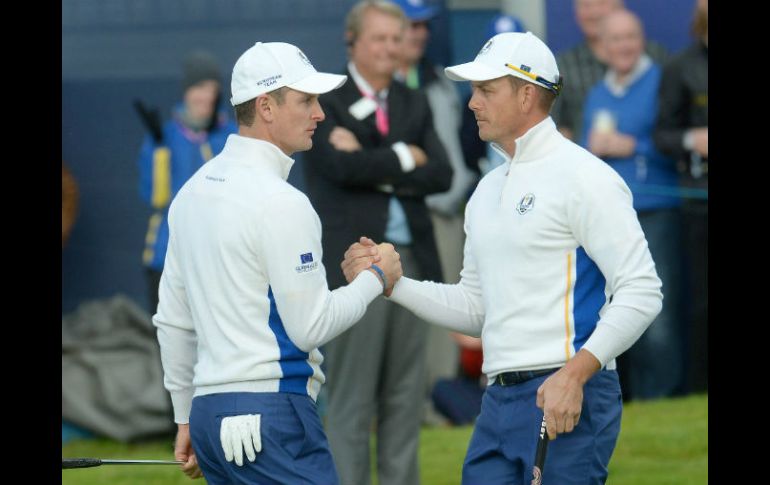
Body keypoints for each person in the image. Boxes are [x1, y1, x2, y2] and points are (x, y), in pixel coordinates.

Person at [343, 31, 663, 484]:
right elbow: (477, 309)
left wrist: (574, 376)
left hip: (568, 390)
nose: (473, 103)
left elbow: (642, 291)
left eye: (486, 90)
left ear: (527, 94)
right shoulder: (486, 189)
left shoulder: (586, 177)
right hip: (497, 399)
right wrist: (392, 284)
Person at [152, 41, 403, 484]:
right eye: (306, 100)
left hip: (209, 416)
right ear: (266, 107)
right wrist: (375, 277)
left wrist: (185, 415)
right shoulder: (283, 202)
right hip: (272, 414)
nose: (319, 113)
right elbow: (312, 327)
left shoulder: (190, 194)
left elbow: (173, 320)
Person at [303, 1, 452, 484]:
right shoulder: (326, 100)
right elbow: (338, 168)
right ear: (353, 41)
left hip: (411, 265)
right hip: (356, 264)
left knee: (405, 397)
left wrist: (374, 162)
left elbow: (442, 173)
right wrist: (406, 157)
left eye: (396, 38)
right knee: (352, 397)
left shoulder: (413, 100)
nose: (391, 47)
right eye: (379, 38)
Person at [580, 10, 684, 400]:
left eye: (631, 37)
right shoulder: (598, 92)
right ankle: (631, 398)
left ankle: (662, 397)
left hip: (656, 209)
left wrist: (632, 146)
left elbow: (674, 141)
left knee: (657, 310)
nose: (624, 46)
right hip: (609, 216)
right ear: (602, 46)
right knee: (614, 309)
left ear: (642, 40)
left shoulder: (661, 81)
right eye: (616, 39)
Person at [392, 0, 478, 425]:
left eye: (424, 26)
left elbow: (454, 150)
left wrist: (457, 185)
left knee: (447, 306)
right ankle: (407, 404)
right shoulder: (383, 87)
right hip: (404, 213)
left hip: (446, 211)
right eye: (411, 25)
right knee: (402, 305)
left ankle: (441, 399)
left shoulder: (440, 82)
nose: (420, 34)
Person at [137, 50, 237, 314]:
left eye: (211, 88)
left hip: (220, 257)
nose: (205, 96)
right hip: (167, 255)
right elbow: (155, 198)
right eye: (198, 87)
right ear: (186, 91)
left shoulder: (232, 135)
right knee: (167, 332)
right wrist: (160, 150)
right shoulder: (164, 136)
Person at [654, 0, 708, 395]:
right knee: (701, 302)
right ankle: (700, 387)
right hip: (698, 201)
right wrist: (693, 138)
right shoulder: (679, 67)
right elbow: (662, 135)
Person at [552, 0, 669, 142]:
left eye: (602, 3)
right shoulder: (570, 71)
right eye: (586, 6)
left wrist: (633, 145)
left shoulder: (656, 61)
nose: (594, 12)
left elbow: (674, 131)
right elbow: (554, 126)